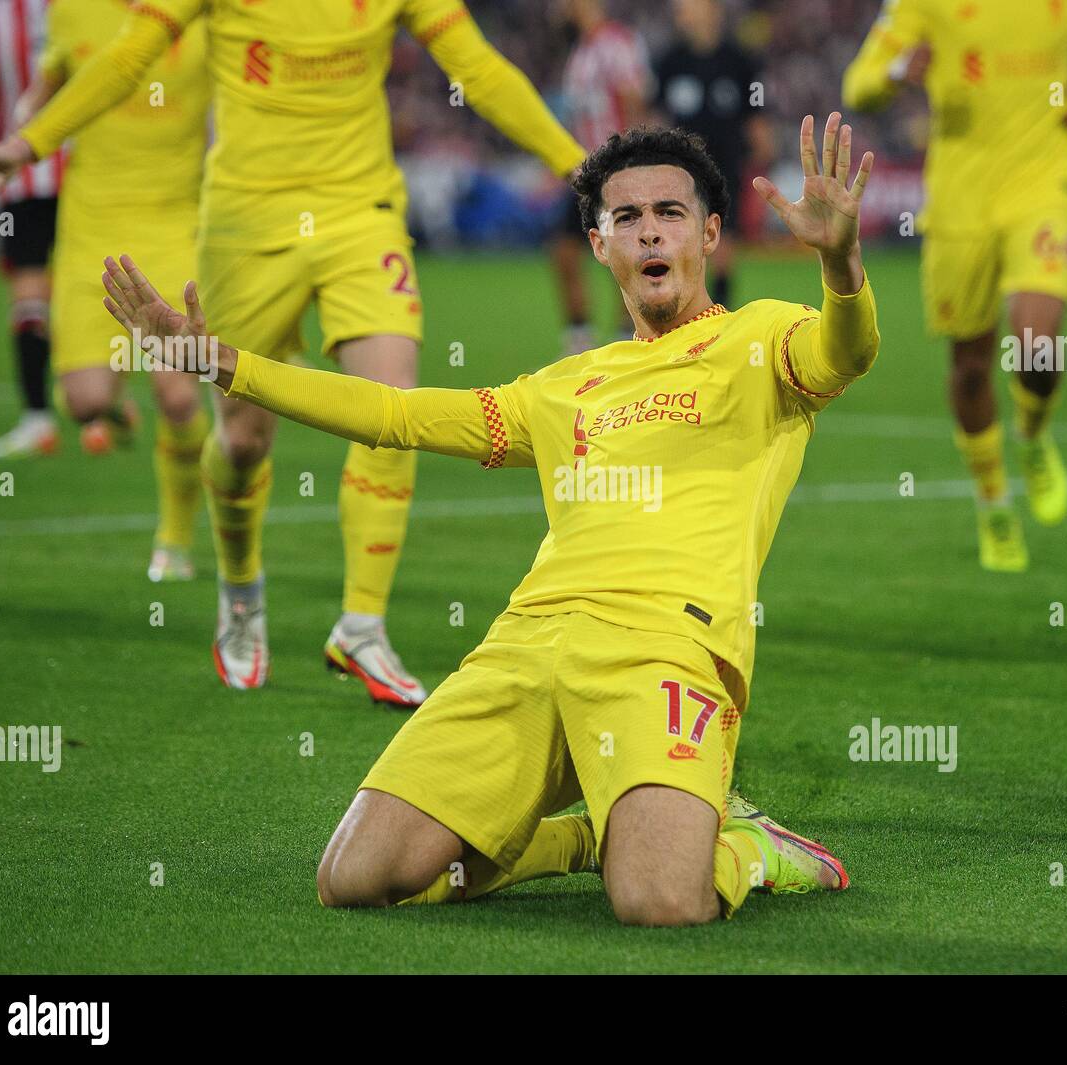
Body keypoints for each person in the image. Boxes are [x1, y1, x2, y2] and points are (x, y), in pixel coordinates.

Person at [100, 113, 877, 925]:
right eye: (626, 218)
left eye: (670, 214)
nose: (649, 233)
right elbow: (393, 415)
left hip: (665, 647)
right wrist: (223, 363)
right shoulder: (561, 385)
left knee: (661, 900)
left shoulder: (761, 340)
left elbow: (844, 354)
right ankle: (586, 837)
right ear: (600, 244)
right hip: (528, 642)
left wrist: (840, 264)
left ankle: (747, 845)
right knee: (356, 877)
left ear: (710, 233)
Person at [0, 0, 586, 701]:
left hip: (360, 214)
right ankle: (240, 587)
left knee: (393, 406)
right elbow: (127, 57)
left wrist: (577, 164)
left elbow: (479, 69)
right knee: (245, 439)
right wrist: (28, 144)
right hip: (244, 227)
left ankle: (362, 625)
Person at [844, 0, 1067, 571]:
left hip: (1045, 179)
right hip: (960, 197)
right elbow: (859, 85)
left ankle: (1032, 432)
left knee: (1035, 342)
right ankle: (994, 502)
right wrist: (897, 73)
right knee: (971, 365)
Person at [27, 0, 210, 581]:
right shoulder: (71, 12)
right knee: (84, 405)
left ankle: (175, 539)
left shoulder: (205, 14)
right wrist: (19, 138)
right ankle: (115, 411)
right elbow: (42, 92)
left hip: (176, 226)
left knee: (180, 399)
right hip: (91, 231)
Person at [0, 0, 64, 461]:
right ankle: (103, 408)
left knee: (29, 296)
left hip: (21, 177)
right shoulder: (89, 10)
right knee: (108, 286)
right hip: (90, 177)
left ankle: (39, 418)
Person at [653, 0, 773, 309]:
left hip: (724, 167)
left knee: (721, 238)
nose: (681, 11)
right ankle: (678, 307)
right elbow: (656, 116)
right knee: (679, 238)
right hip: (679, 169)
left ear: (711, 9)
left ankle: (719, 311)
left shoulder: (740, 61)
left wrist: (761, 150)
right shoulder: (670, 61)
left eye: (688, 5)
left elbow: (755, 115)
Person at [550, 0, 651, 353]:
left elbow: (633, 98)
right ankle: (579, 339)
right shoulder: (581, 50)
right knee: (564, 250)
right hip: (583, 167)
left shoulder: (615, 43)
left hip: (613, 166)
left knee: (619, 249)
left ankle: (629, 335)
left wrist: (632, 158)